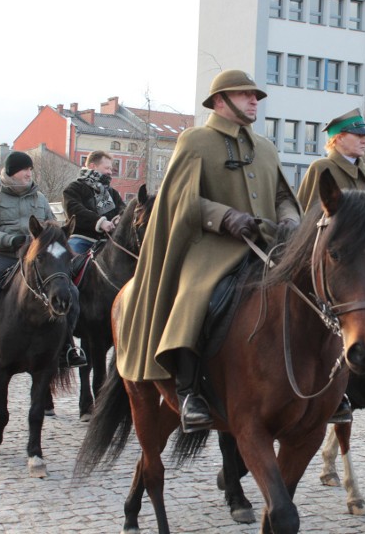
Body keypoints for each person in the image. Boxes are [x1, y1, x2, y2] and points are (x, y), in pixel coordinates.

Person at [114, 70, 301, 433]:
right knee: (197, 297)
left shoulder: (265, 147)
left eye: (256, 96)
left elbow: (282, 196)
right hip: (212, 246)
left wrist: (291, 220)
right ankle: (187, 392)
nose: (254, 101)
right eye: (245, 95)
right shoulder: (195, 141)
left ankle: (324, 387)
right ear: (220, 101)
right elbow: (179, 199)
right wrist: (224, 216)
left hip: (267, 243)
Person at [0, 151, 86, 373]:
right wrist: (12, 239)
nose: (29, 174)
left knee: (71, 292)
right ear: (13, 172)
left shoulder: (39, 198)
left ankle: (67, 348)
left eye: (31, 170)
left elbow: (50, 224)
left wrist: (55, 233)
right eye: (26, 169)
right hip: (4, 256)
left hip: (37, 260)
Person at [295, 108, 365, 423]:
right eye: (357, 135)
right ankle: (331, 388)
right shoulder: (322, 169)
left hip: (364, 266)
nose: (364, 140)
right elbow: (307, 221)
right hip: (334, 265)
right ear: (336, 139)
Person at [63, 150, 125, 255]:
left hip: (108, 242)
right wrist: (100, 222)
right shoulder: (75, 188)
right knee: (70, 264)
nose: (110, 172)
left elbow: (123, 210)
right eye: (107, 168)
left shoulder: (112, 193)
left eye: (111, 169)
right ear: (92, 166)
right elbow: (74, 210)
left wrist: (119, 219)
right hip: (81, 239)